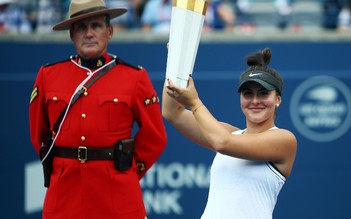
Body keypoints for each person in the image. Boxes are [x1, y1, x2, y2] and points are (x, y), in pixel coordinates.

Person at [29, 0, 167, 218]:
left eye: (96, 26)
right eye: (81, 28)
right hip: (65, 194)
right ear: (72, 35)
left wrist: (127, 171)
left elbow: (155, 137)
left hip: (117, 195)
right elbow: (40, 135)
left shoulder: (134, 77)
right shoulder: (48, 76)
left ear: (109, 31)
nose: (89, 33)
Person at [162, 48, 297, 218]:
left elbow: (223, 143)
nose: (255, 101)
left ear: (278, 99)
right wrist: (177, 59)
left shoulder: (284, 139)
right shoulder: (230, 134)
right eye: (248, 94)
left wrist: (195, 103)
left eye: (263, 94)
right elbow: (172, 112)